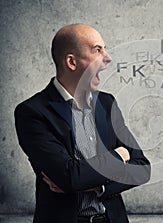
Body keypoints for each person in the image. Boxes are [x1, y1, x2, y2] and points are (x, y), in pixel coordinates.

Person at [14, 24, 151, 223]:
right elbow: (70, 177)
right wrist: (118, 156)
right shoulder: (32, 112)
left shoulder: (107, 103)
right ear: (72, 62)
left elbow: (142, 168)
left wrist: (97, 185)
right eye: (97, 50)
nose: (108, 57)